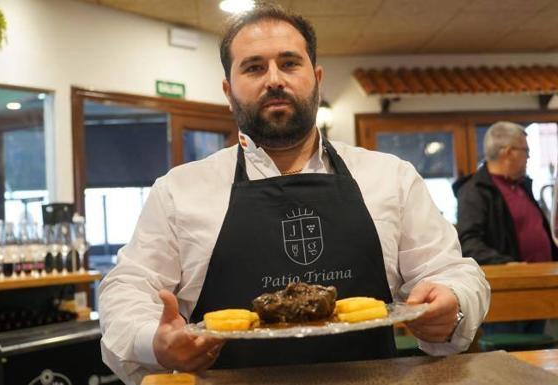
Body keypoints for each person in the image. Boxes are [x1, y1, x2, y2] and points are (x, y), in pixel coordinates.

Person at [99, 5, 489, 384]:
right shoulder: (178, 191)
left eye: (289, 63)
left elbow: (452, 271)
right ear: (227, 89)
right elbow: (127, 289)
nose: (274, 79)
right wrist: (155, 340)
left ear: (316, 77)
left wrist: (452, 305)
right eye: (253, 67)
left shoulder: (391, 177)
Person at [453, 121, 558, 335]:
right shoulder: (475, 191)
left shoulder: (520, 185)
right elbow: (469, 242)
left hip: (537, 288)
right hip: (506, 291)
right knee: (512, 359)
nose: (529, 156)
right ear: (509, 152)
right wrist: (507, 263)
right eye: (526, 150)